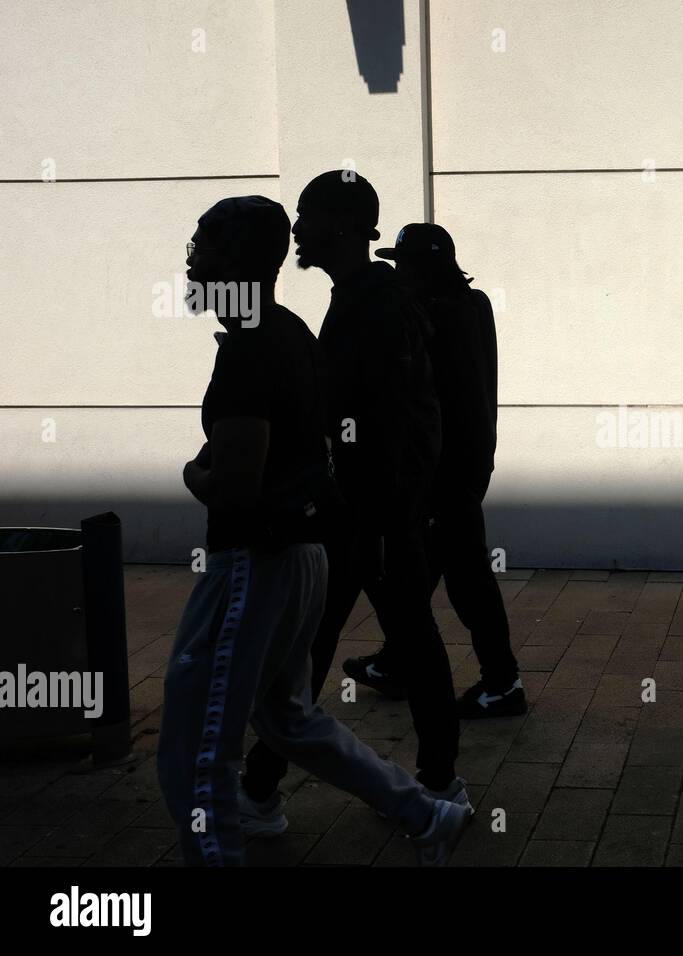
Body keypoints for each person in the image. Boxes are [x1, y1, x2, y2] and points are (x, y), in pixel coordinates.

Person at [156, 195, 469, 866]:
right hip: (304, 554)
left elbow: (236, 487)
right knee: (288, 717)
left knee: (199, 747)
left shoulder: (252, 348)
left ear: (234, 261)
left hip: (256, 560)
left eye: (202, 245)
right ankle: (427, 811)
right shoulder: (292, 329)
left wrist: (194, 474)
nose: (191, 259)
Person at [239, 173, 469, 824]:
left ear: (342, 225)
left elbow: (399, 418)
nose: (297, 230)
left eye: (307, 217)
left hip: (377, 514)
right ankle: (261, 785)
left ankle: (438, 783)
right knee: (315, 644)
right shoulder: (358, 297)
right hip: (358, 512)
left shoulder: (377, 302)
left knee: (403, 645)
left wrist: (384, 516)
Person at [344, 222, 525, 719]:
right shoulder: (473, 306)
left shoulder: (437, 318)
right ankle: (397, 663)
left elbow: (424, 393)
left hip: (445, 473)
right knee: (417, 571)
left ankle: (503, 682)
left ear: (423, 270)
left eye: (404, 266)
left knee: (467, 580)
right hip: (461, 467)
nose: (399, 274)